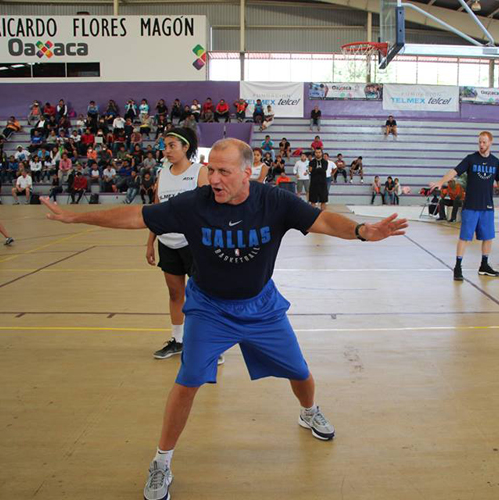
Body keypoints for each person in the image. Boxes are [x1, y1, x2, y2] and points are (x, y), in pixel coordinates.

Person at [39, 137, 408, 500]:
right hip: (209, 308)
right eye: (211, 169)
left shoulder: (274, 201)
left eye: (224, 172)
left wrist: (361, 231)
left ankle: (308, 412)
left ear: (247, 173)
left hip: (261, 307)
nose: (214, 179)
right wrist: (77, 217)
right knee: (187, 382)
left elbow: (322, 221)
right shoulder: (193, 205)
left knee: (300, 372)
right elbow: (138, 216)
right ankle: (161, 461)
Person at [145, 127, 214, 361]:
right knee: (175, 294)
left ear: (186, 147)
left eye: (172, 145)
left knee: (200, 295)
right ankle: (178, 340)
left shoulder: (199, 173)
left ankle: (207, 344)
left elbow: (210, 209)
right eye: (165, 146)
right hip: (167, 242)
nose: (167, 151)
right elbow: (156, 210)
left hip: (193, 243)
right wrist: (150, 241)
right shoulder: (162, 174)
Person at [429, 131, 499, 281]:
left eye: (484, 142)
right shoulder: (471, 159)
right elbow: (454, 171)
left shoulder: (495, 162)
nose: (481, 145)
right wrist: (441, 181)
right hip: (471, 206)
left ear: (490, 143)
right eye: (480, 142)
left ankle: (484, 265)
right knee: (464, 237)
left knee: (488, 237)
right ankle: (458, 267)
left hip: (487, 206)